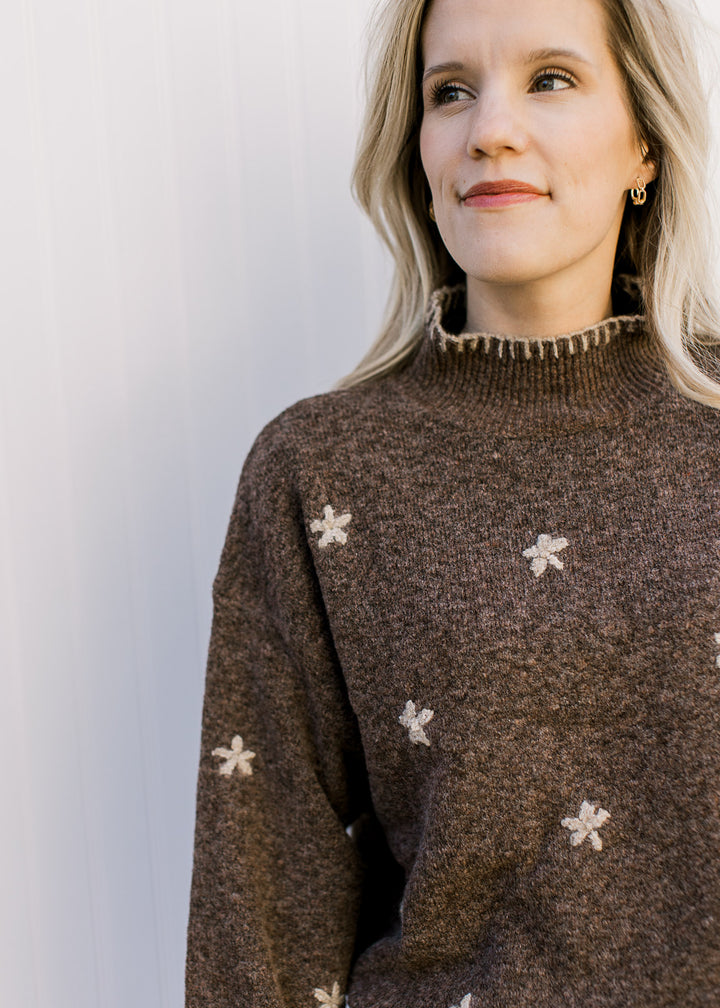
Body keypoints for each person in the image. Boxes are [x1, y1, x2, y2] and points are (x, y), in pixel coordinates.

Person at [185, 0, 720, 1004]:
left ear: (645, 142)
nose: (491, 130)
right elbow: (258, 914)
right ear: (417, 148)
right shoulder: (318, 473)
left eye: (551, 79)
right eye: (450, 92)